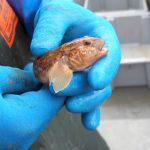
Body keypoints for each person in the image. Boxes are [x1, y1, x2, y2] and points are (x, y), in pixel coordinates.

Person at [0, 0, 121, 149]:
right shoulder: (63, 62)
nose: (95, 44)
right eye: (87, 44)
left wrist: (38, 6)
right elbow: (60, 81)